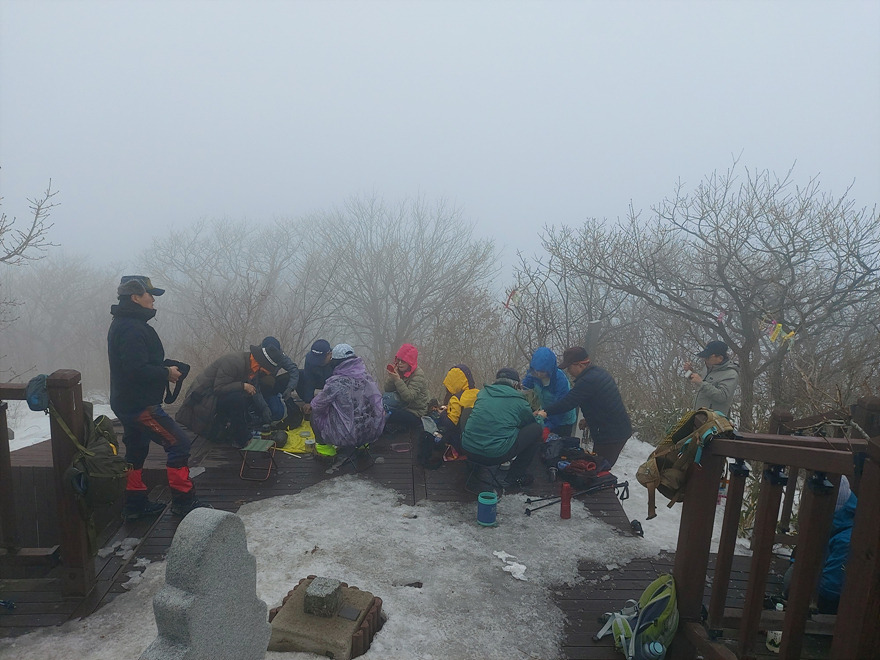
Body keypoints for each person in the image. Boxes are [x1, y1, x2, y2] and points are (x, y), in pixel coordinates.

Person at [108, 275, 211, 519]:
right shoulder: (132, 328)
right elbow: (135, 370)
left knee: (136, 449)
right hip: (139, 405)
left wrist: (166, 367)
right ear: (135, 297)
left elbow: (136, 364)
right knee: (179, 444)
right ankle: (184, 502)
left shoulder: (125, 323)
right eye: (150, 295)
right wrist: (166, 372)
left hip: (127, 401)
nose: (153, 300)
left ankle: (135, 505)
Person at [175, 337, 299, 447]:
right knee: (238, 399)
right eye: (267, 370)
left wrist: (264, 408)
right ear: (261, 364)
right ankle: (242, 439)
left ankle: (230, 430)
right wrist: (242, 386)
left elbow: (256, 390)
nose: (267, 373)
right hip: (202, 398)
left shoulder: (253, 368)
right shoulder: (233, 362)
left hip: (217, 397)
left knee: (244, 398)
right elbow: (218, 388)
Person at [536, 347, 632, 468]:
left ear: (580, 365)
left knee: (597, 468)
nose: (569, 371)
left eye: (569, 367)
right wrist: (588, 420)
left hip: (612, 435)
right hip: (615, 429)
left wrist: (545, 412)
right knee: (596, 465)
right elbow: (604, 403)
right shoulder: (598, 373)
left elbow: (568, 402)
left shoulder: (588, 380)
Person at [782, 476, 857, 614]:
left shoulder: (847, 540)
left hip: (833, 602)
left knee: (792, 581)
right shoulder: (843, 520)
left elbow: (829, 590)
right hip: (826, 578)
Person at [461, 368, 543, 489]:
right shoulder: (519, 401)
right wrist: (540, 417)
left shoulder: (482, 393)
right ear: (516, 385)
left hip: (469, 450)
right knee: (536, 429)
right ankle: (515, 477)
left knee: (468, 411)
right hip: (495, 455)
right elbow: (529, 423)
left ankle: (475, 467)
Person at [310, 343, 385, 448]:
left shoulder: (336, 383)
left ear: (335, 362)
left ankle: (325, 450)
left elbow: (316, 405)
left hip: (346, 437)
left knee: (314, 414)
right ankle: (362, 446)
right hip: (371, 433)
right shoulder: (367, 378)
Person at [521, 347, 577, 436]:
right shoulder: (533, 375)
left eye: (542, 372)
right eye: (537, 371)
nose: (539, 374)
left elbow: (562, 406)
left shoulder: (560, 380)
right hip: (546, 414)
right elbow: (524, 388)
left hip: (563, 420)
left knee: (558, 443)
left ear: (550, 369)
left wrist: (548, 427)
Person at [683, 340, 739, 416]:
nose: (705, 359)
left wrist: (701, 383)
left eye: (708, 357)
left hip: (714, 420)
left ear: (720, 358)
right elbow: (698, 381)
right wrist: (689, 372)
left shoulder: (731, 374)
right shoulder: (708, 368)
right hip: (699, 416)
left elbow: (722, 396)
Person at [383, 343, 430, 431]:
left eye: (403, 361)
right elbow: (387, 389)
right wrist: (392, 377)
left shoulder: (418, 375)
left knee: (391, 416)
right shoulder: (400, 371)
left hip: (415, 411)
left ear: (410, 362)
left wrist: (397, 380)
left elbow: (409, 397)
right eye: (398, 360)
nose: (400, 363)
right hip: (402, 406)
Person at [436, 364, 480, 450]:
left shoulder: (456, 398)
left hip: (459, 442)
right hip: (477, 439)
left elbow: (451, 423)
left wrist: (443, 413)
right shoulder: (479, 394)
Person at [296, 339, 334, 413]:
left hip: (333, 383)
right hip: (318, 380)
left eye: (320, 359)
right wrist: (308, 401)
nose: (318, 363)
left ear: (329, 354)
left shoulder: (337, 359)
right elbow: (309, 379)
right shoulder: (309, 358)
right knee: (299, 374)